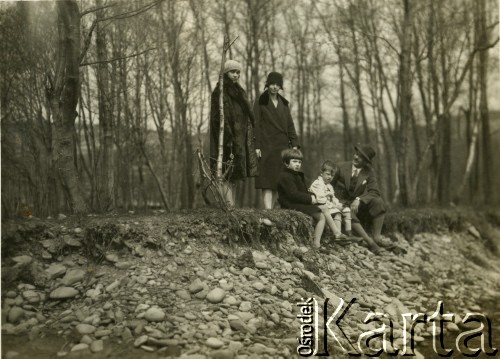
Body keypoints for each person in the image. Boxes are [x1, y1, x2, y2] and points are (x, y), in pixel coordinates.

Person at [209, 59, 258, 206]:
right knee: (225, 173)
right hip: (225, 141)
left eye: (238, 72)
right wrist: (228, 139)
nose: (236, 75)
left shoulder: (239, 93)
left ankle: (232, 208)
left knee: (234, 175)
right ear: (225, 73)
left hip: (239, 140)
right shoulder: (220, 92)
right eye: (232, 72)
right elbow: (218, 119)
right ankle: (229, 207)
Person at [277, 149, 342, 249]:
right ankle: (316, 243)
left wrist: (312, 195)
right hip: (290, 204)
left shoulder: (296, 175)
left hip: (298, 202)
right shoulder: (285, 176)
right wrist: (310, 199)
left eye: (299, 162)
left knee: (324, 207)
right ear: (286, 163)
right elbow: (293, 194)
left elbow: (303, 191)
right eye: (294, 161)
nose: (297, 164)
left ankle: (337, 233)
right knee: (321, 217)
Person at [333, 144, 390, 254]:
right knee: (347, 211)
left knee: (377, 201)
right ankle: (370, 242)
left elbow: (374, 191)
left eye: (361, 157)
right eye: (356, 154)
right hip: (338, 202)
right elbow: (327, 184)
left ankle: (377, 237)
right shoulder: (340, 167)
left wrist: (359, 199)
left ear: (366, 162)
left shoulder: (369, 172)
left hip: (353, 203)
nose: (356, 157)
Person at [254, 72, 299, 209]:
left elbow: (290, 125)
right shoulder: (260, 102)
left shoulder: (284, 104)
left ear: (280, 86)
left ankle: (271, 211)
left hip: (282, 147)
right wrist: (257, 146)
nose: (274, 87)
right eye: (272, 84)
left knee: (277, 182)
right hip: (266, 146)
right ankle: (268, 211)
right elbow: (255, 125)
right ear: (267, 84)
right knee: (267, 181)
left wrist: (295, 144)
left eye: (277, 85)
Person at [309, 160, 353, 237]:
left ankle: (346, 233)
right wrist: (334, 206)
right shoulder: (317, 184)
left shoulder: (329, 186)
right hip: (319, 206)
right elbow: (320, 200)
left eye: (332, 176)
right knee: (337, 212)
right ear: (321, 173)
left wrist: (338, 204)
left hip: (328, 206)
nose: (330, 177)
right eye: (328, 174)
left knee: (345, 210)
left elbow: (333, 197)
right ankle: (337, 234)